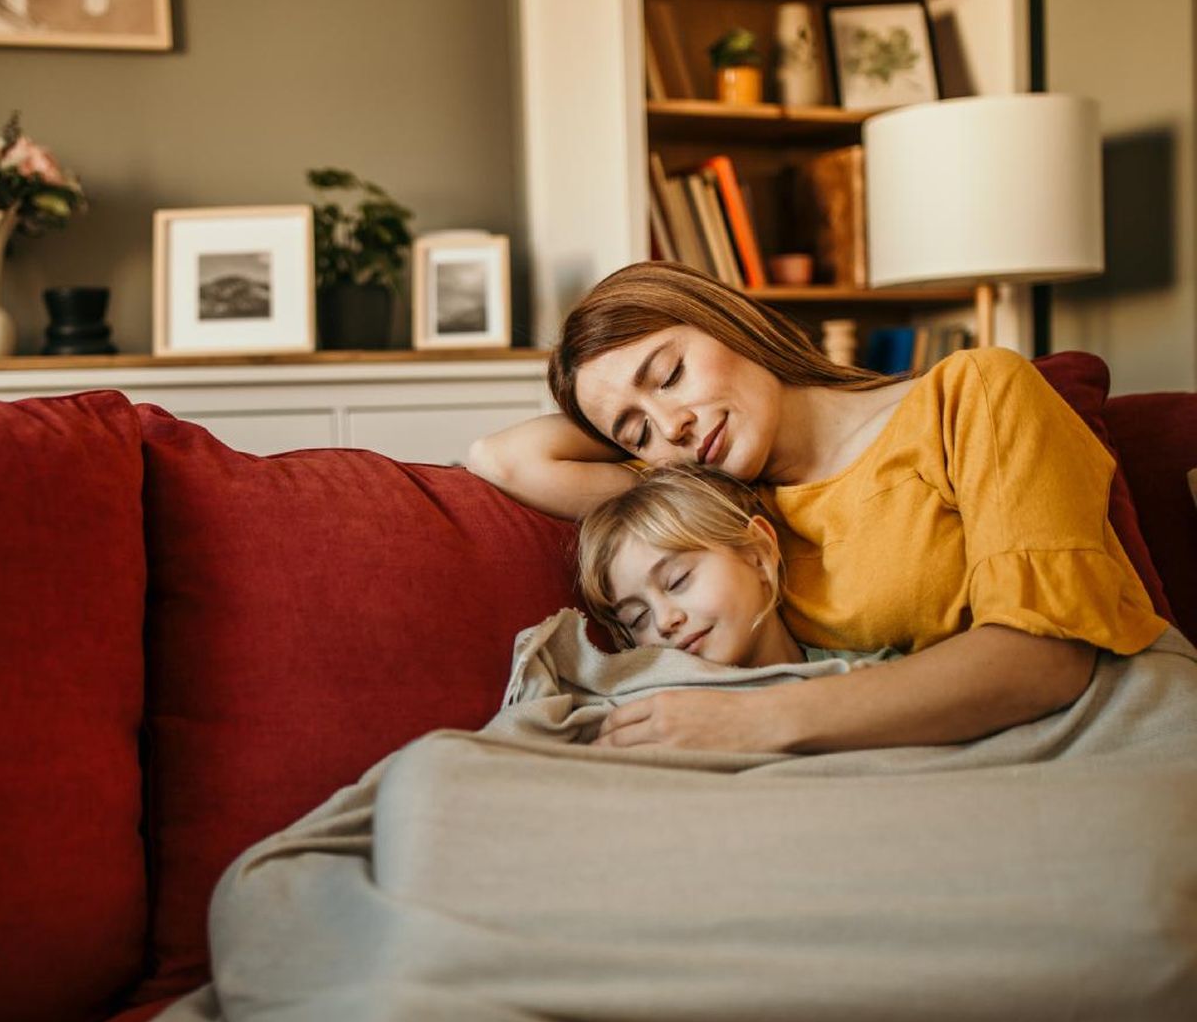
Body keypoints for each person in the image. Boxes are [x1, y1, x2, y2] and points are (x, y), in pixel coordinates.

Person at [467, 262, 1166, 754]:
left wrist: (754, 721)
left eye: (670, 373)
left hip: (1102, 727)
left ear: (730, 322)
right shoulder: (718, 510)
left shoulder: (973, 393)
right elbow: (502, 459)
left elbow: (1044, 660)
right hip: (921, 766)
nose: (671, 426)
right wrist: (613, 409)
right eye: (637, 431)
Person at [578, 461, 891, 675]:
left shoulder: (873, 676)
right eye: (637, 618)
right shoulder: (654, 711)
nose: (663, 622)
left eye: (677, 580)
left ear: (758, 553)